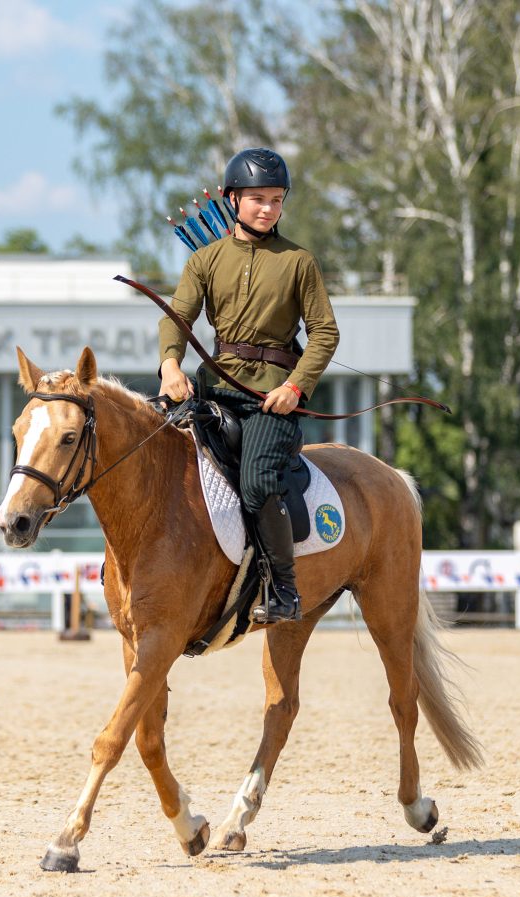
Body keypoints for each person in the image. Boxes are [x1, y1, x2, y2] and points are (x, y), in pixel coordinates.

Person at [158, 147, 339, 624]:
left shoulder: (299, 262)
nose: (268, 209)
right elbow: (178, 317)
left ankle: (283, 588)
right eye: (258, 198)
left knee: (258, 483)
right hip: (213, 389)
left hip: (273, 399)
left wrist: (296, 389)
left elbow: (325, 333)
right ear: (231, 199)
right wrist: (170, 366)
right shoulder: (205, 259)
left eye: (277, 200)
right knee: (152, 454)